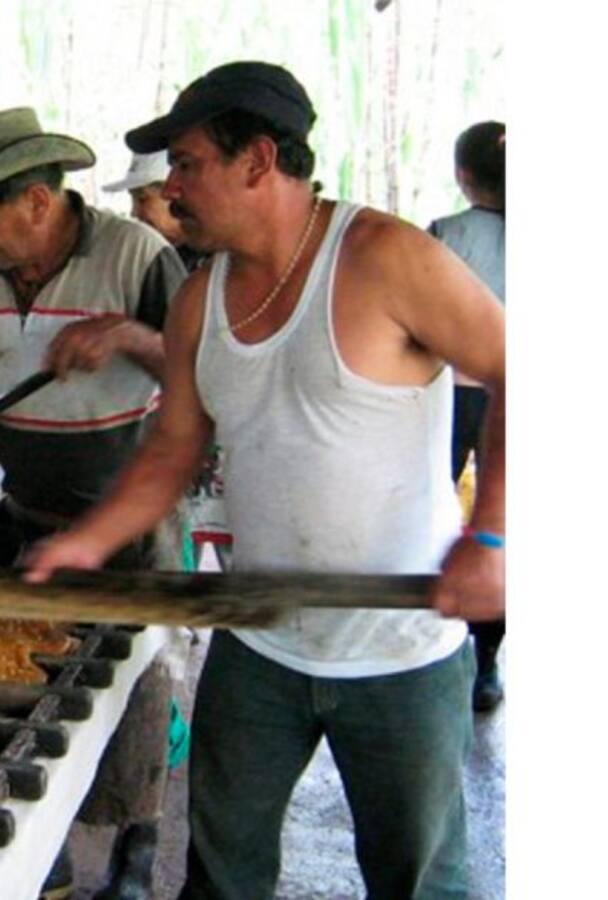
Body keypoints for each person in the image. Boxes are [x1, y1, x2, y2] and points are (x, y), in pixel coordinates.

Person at [26, 61, 506, 900]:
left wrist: (491, 537)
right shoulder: (197, 300)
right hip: (258, 638)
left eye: (186, 163)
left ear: (257, 161)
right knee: (220, 875)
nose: (171, 189)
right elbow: (173, 451)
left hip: (399, 652)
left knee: (420, 881)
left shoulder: (384, 255)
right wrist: (87, 542)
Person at [0, 107, 187, 899]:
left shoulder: (136, 253)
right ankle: (49, 856)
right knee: (29, 694)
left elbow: (202, 381)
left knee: (138, 694)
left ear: (36, 199)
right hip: (31, 517)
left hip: (133, 525)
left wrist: (129, 337)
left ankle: (138, 842)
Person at [428, 120, 507, 713]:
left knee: (436, 514)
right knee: (500, 529)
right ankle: (486, 665)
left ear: (463, 176)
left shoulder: (443, 236)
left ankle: (439, 645)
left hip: (453, 398)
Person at [104, 150, 207, 270]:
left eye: (142, 199)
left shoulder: (219, 259)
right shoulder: (150, 257)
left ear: (173, 194)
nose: (134, 212)